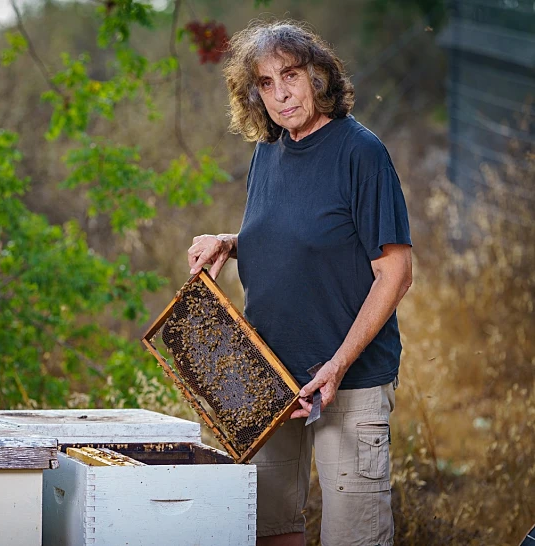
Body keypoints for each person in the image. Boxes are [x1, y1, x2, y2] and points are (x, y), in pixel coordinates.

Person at [187, 21, 413, 546]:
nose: (280, 93)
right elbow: (292, 232)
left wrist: (337, 364)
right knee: (270, 530)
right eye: (264, 83)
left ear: (318, 76)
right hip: (268, 379)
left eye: (289, 75)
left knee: (352, 538)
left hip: (347, 383)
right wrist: (229, 240)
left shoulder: (361, 153)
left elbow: (395, 272)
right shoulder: (268, 151)